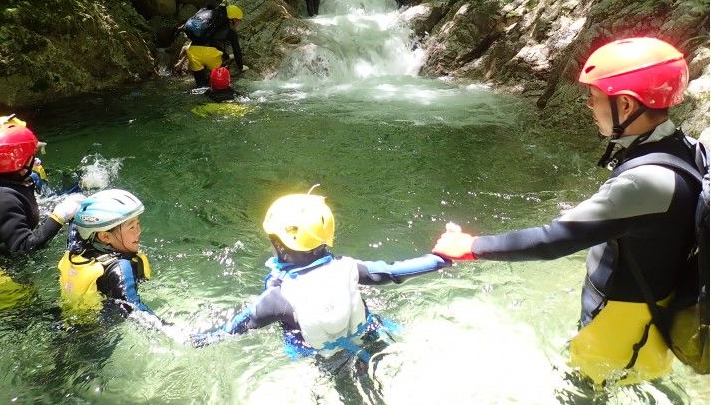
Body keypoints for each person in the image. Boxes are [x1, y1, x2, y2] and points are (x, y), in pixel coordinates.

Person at [432, 37, 702, 385]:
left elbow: (553, 241)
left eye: (595, 98)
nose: (589, 106)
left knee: (579, 391)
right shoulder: (688, 149)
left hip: (617, 334)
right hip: (647, 323)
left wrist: (472, 246)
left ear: (625, 103)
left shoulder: (646, 182)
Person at [192, 191, 450, 366]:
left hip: (323, 358)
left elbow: (229, 331)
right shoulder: (350, 267)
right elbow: (394, 272)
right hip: (371, 334)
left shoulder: (276, 298)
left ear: (279, 246)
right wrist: (441, 258)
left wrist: (194, 340)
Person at [59, 189, 169, 329]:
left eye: (137, 224)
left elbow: (74, 229)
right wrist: (175, 332)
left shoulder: (75, 250)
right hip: (96, 333)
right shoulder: (120, 267)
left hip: (68, 321)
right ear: (105, 237)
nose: (138, 231)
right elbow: (133, 309)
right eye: (131, 227)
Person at [0, 118, 83, 253]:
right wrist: (60, 215)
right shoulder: (3, 199)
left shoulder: (14, 184)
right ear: (19, 162)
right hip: (1, 269)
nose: (35, 159)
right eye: (31, 156)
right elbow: (23, 247)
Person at [185, 4, 245, 87]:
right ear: (234, 19)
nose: (239, 22)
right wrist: (241, 67)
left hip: (192, 53)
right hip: (210, 55)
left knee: (201, 86)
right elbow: (237, 50)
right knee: (219, 82)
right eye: (239, 20)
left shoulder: (209, 21)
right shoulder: (230, 31)